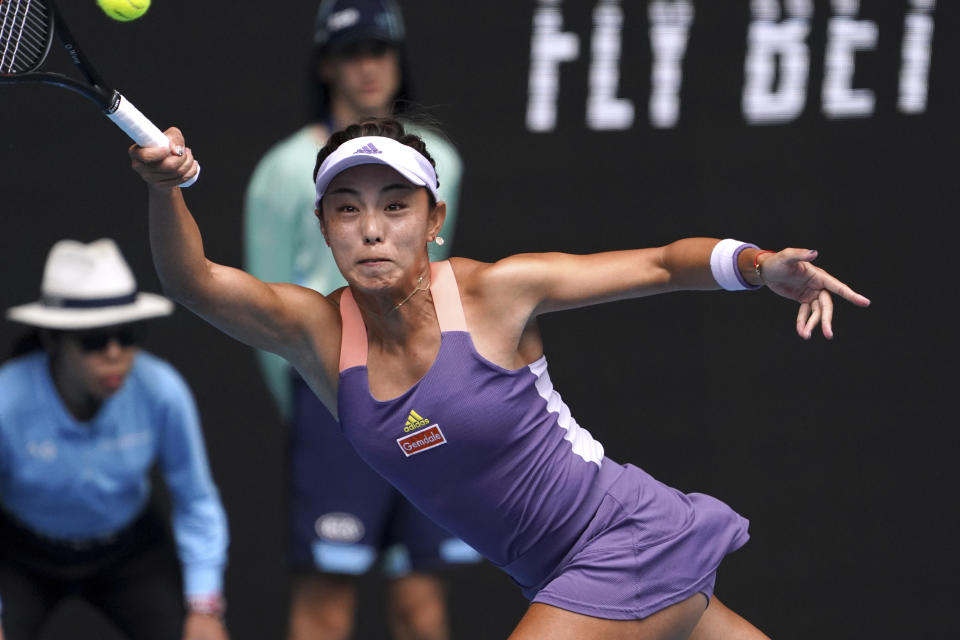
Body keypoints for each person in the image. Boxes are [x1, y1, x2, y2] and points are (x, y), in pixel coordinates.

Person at [128, 118, 870, 639]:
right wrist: (166, 190)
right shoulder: (318, 334)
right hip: (552, 575)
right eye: (347, 210)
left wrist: (758, 266)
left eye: (396, 206)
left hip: (623, 536)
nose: (373, 229)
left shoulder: (495, 292)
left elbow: (660, 263)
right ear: (324, 227)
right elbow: (192, 281)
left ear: (434, 219)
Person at [243, 2, 475, 639]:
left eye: (380, 50)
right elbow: (269, 315)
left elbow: (437, 282)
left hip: (425, 394)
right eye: (351, 52)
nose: (368, 67)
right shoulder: (284, 170)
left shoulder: (441, 162)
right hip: (336, 396)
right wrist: (323, 392)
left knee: (421, 603)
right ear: (325, 65)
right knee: (326, 606)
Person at [0, 239, 230, 640]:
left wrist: (204, 604)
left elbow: (196, 499)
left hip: (129, 551)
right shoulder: (6, 401)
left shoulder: (161, 390)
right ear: (53, 340)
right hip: (21, 554)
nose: (114, 354)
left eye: (127, 336)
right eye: (93, 340)